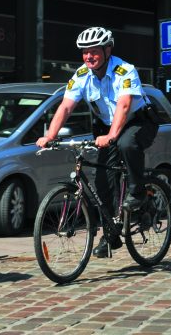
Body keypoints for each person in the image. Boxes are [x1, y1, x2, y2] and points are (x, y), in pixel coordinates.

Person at [36, 26, 159, 258]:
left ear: (107, 50)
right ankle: (111, 236)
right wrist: (50, 136)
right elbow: (65, 106)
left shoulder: (125, 70)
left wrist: (112, 136)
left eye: (94, 51)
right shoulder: (82, 75)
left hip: (138, 121)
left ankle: (138, 191)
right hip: (106, 127)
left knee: (126, 144)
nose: (88, 56)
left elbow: (123, 106)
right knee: (102, 182)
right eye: (84, 52)